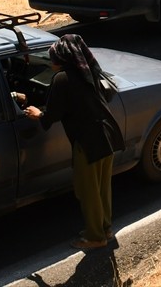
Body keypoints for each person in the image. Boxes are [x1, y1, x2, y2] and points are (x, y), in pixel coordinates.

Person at [24, 34, 123, 249]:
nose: (51, 63)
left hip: (87, 143)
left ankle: (95, 237)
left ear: (61, 59)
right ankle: (105, 228)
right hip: (107, 136)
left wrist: (35, 113)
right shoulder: (88, 72)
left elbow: (51, 116)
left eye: (53, 59)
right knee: (102, 188)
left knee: (87, 191)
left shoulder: (62, 79)